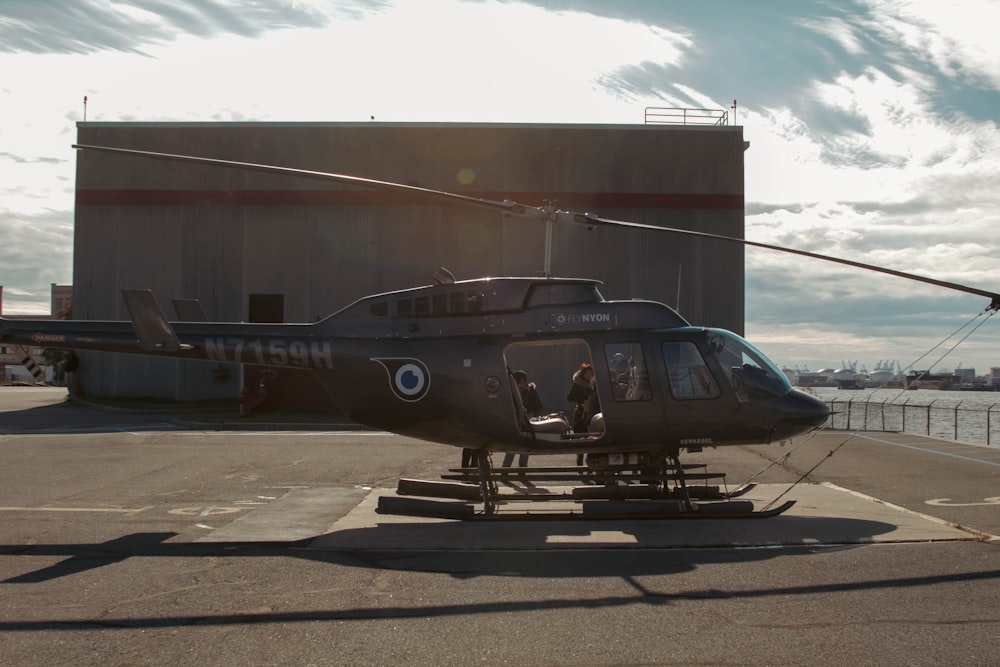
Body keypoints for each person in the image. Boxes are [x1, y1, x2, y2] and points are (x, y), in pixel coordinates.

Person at [503, 369, 542, 468]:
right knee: (512, 447)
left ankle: (522, 468)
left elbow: (538, 407)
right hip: (515, 423)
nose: (523, 383)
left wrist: (531, 415)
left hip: (527, 423)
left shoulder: (531, 392)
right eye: (521, 381)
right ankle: (506, 468)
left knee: (525, 447)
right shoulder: (510, 393)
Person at [568, 362, 599, 465]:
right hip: (581, 414)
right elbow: (570, 397)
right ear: (583, 374)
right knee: (579, 437)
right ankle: (579, 461)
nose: (589, 376)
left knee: (592, 437)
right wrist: (582, 400)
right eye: (587, 373)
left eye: (591, 373)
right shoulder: (578, 385)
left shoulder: (595, 385)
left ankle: (591, 462)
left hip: (592, 414)